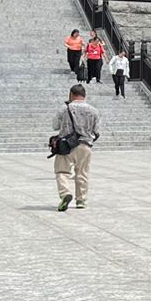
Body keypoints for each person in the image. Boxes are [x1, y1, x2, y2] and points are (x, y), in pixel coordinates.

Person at [51, 83, 102, 211]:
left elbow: (55, 125)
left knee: (62, 171)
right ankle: (81, 200)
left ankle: (65, 193)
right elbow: (97, 131)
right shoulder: (93, 110)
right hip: (85, 145)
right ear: (84, 96)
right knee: (82, 173)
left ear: (71, 95)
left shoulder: (64, 109)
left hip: (66, 146)